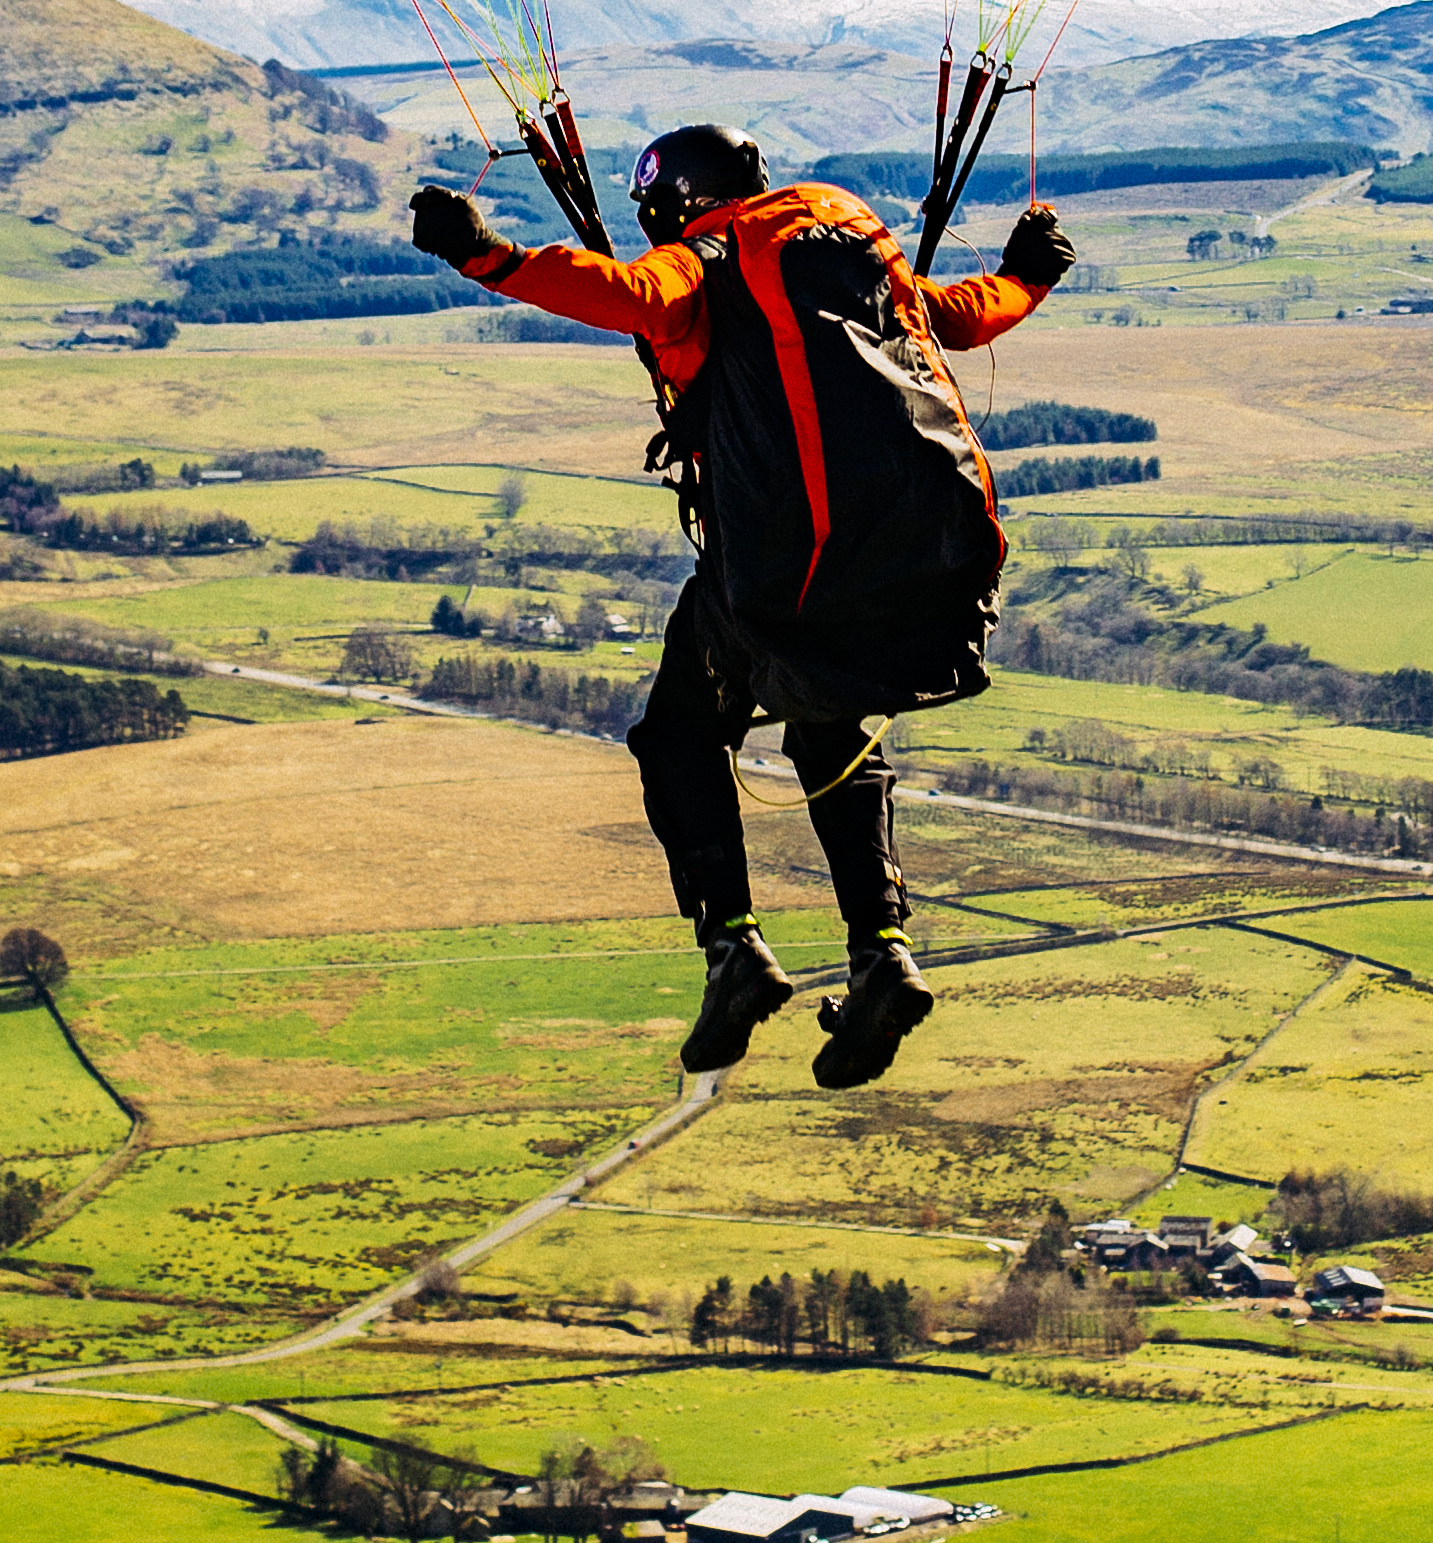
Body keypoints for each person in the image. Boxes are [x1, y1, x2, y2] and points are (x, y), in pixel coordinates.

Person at [410, 123, 1075, 1087]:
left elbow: (626, 293)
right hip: (907, 562)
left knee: (679, 736)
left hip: (775, 577)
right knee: (826, 727)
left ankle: (733, 950)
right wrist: (1031, 277)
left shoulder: (703, 262)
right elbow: (958, 316)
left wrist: (485, 254)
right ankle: (882, 952)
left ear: (673, 202)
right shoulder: (847, 242)